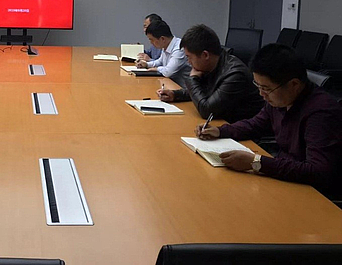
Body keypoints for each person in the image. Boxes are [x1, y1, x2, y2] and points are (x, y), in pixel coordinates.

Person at [195, 43, 342, 199]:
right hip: (284, 178)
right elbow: (255, 125)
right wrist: (220, 131)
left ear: (294, 84)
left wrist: (257, 162)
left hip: (313, 194)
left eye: (266, 88)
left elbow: (317, 171)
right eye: (258, 86)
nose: (261, 94)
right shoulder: (281, 99)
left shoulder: (321, 113)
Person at [158, 24, 263, 122]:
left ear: (205, 55)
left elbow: (207, 111)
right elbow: (204, 91)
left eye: (189, 57)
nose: (189, 62)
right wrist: (175, 95)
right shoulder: (212, 64)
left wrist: (192, 79)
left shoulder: (235, 74)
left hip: (242, 130)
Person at [135, 20, 190, 88]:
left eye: (151, 39)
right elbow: (160, 61)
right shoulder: (166, 45)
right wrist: (146, 64)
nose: (151, 42)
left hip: (182, 89)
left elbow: (168, 72)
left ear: (162, 39)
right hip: (169, 84)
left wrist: (157, 69)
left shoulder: (179, 48)